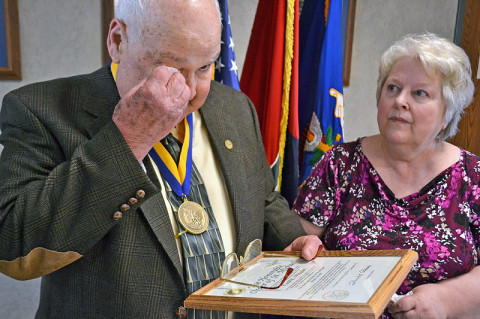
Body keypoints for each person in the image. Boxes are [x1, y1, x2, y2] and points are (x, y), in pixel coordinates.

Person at [0, 0, 320, 318]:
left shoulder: (236, 108)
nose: (193, 91)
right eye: (174, 68)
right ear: (118, 41)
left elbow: (262, 200)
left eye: (206, 67)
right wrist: (127, 139)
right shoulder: (40, 109)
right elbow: (13, 248)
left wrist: (290, 240)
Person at [292, 33, 480, 319]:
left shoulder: (473, 176)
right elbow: (296, 245)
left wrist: (448, 299)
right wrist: (303, 250)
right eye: (393, 88)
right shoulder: (340, 164)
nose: (400, 100)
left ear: (446, 114)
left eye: (419, 93)